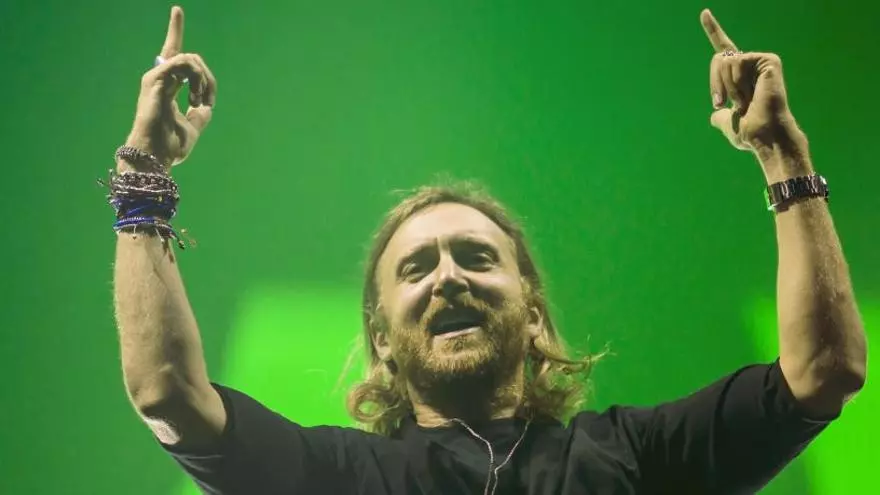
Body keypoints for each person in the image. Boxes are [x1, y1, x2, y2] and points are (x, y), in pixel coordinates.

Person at [111, 6, 867, 495]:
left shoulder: (635, 455)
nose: (447, 277)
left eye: (476, 257)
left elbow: (824, 370)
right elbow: (167, 394)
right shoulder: (337, 476)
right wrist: (145, 174)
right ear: (382, 337)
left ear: (533, 312)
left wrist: (781, 150)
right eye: (417, 267)